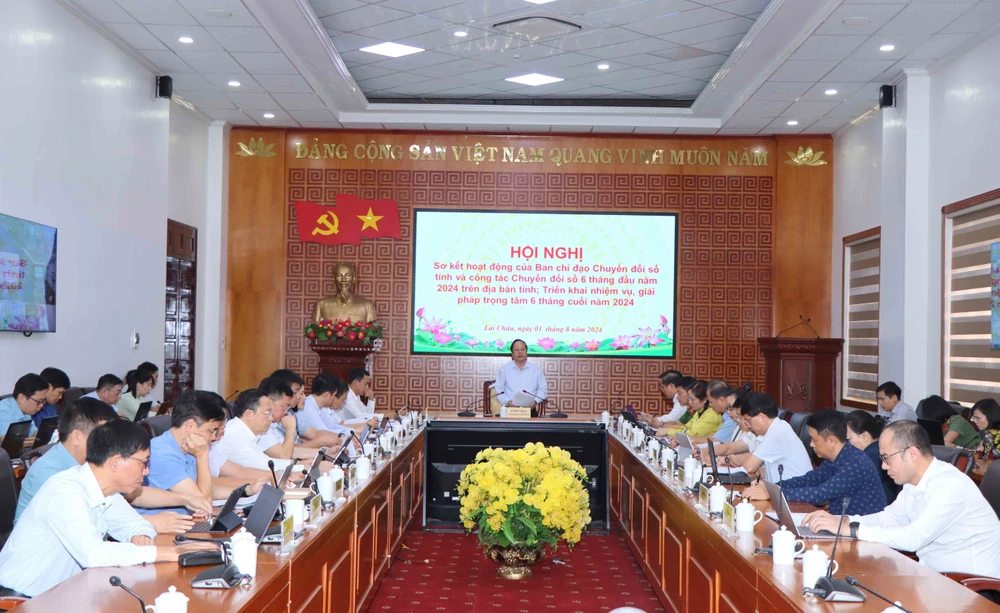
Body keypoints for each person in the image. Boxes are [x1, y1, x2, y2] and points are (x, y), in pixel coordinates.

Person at [0, 419, 217, 597]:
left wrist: (139, 535)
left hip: (66, 591)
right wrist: (170, 552)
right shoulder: (66, 491)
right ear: (115, 463)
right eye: (143, 462)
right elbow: (93, 554)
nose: (147, 471)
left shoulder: (107, 491)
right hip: (23, 598)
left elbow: (136, 524)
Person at [804, 421, 1000, 579]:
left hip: (968, 587)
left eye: (886, 458)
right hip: (933, 578)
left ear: (912, 454)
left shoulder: (949, 486)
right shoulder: (914, 483)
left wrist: (854, 530)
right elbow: (889, 518)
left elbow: (913, 538)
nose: (883, 466)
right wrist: (843, 521)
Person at [15, 398, 211, 533]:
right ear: (76, 436)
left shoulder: (93, 463)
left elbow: (133, 494)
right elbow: (82, 526)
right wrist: (150, 522)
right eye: (102, 434)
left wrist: (185, 499)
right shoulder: (50, 472)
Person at [741, 410, 886, 515]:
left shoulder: (855, 463)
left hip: (861, 535)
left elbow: (820, 494)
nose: (811, 444)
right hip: (840, 526)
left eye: (814, 440)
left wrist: (773, 493)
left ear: (831, 441)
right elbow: (809, 480)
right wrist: (770, 488)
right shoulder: (836, 458)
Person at [142, 390, 234, 514]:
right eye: (212, 430)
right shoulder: (162, 454)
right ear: (190, 426)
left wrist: (247, 491)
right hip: (161, 530)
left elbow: (203, 488)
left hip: (186, 522)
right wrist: (202, 455)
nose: (213, 437)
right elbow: (204, 505)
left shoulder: (188, 448)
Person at [724, 392, 812, 481]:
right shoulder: (778, 427)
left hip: (795, 491)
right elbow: (768, 472)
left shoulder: (777, 432)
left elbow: (748, 468)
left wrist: (724, 472)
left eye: (748, 420)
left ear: (761, 416)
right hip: (785, 488)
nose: (749, 425)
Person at [271, 369, 341, 449]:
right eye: (295, 393)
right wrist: (321, 442)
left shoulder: (290, 413)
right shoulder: (272, 420)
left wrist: (341, 438)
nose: (301, 397)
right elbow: (285, 453)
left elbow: (314, 433)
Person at [846, 409, 900, 504]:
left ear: (864, 437)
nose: (845, 444)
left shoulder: (869, 457)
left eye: (848, 438)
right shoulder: (876, 449)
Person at [495, 339, 548, 410]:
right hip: (510, 409)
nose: (520, 352)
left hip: (530, 410)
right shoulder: (504, 369)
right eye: (516, 350)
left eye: (522, 349)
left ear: (526, 352)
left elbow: (543, 390)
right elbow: (499, 390)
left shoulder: (536, 369)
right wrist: (507, 402)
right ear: (512, 354)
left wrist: (535, 401)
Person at [684, 380, 736, 445]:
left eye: (711, 402)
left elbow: (717, 440)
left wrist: (688, 439)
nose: (710, 405)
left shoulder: (733, 417)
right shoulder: (726, 415)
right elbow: (717, 436)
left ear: (721, 399)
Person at [0, 373, 48, 438]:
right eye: (38, 402)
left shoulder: (26, 412)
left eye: (43, 401)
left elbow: (34, 432)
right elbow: (7, 441)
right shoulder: (3, 410)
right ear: (22, 398)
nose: (41, 405)